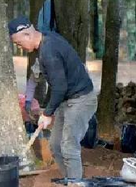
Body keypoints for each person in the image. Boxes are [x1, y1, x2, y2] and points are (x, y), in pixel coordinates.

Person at [9, 16, 97, 180]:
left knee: (69, 146)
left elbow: (60, 87)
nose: (19, 47)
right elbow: (45, 82)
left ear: (28, 35)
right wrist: (32, 102)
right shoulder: (45, 40)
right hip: (67, 100)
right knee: (55, 145)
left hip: (81, 99)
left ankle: (74, 183)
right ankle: (69, 179)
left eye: (18, 43)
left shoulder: (49, 51)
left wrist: (47, 113)